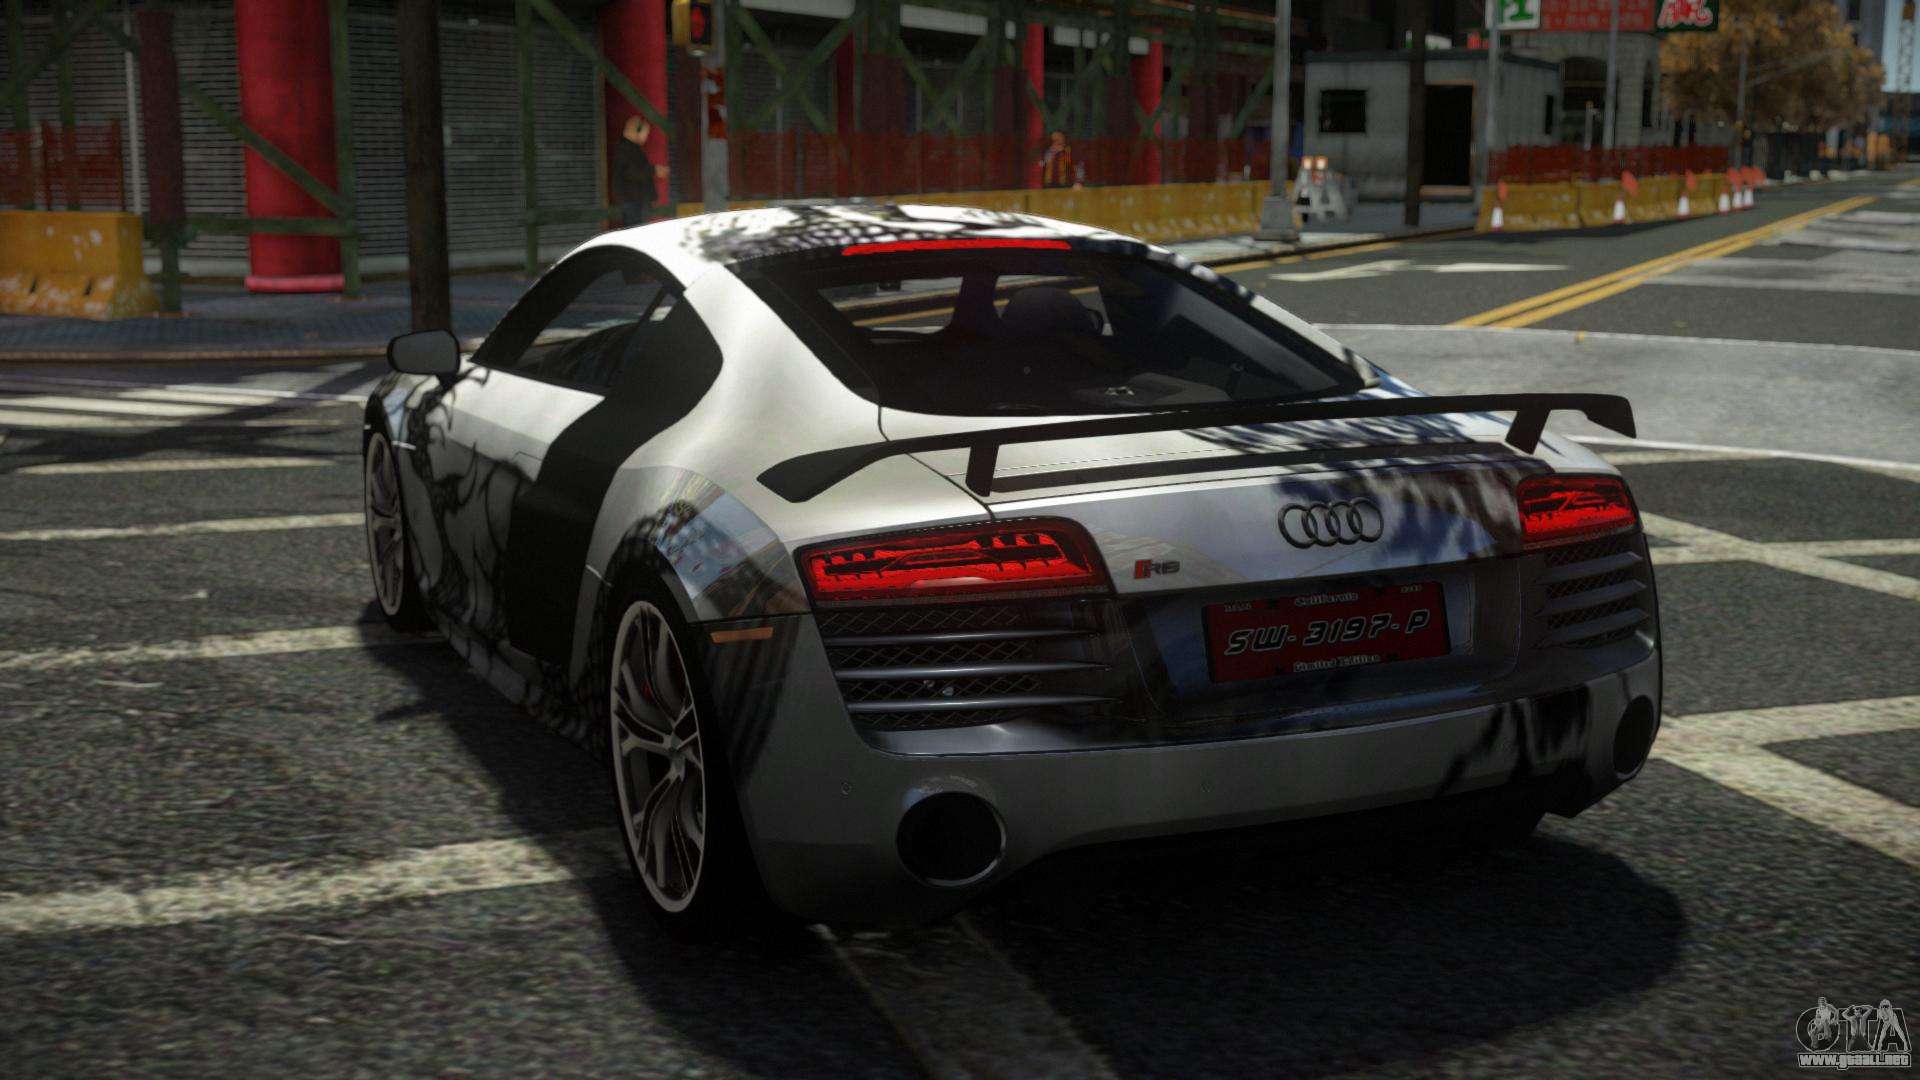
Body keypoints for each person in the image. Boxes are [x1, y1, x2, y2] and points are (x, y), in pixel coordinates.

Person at [611, 114, 670, 228]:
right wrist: (654, 170)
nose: (646, 136)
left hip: (637, 200)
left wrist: (652, 196)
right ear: (635, 131)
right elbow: (632, 172)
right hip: (632, 200)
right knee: (635, 230)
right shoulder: (625, 149)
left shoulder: (632, 148)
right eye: (645, 132)